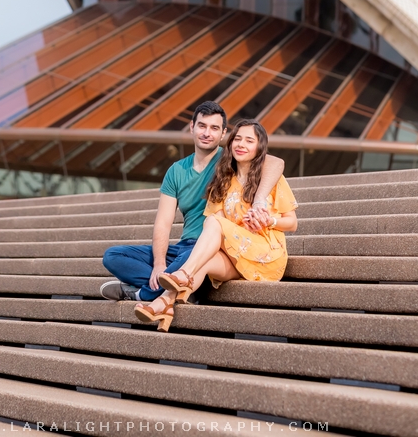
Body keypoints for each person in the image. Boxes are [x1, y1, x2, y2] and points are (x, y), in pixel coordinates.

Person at [100, 102, 285, 303]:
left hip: (212, 247)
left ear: (223, 134)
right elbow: (163, 222)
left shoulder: (231, 160)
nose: (207, 133)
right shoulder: (176, 170)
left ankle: (141, 293)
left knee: (186, 261)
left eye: (214, 128)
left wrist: (259, 202)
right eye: (202, 126)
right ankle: (181, 287)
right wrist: (159, 264)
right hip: (182, 247)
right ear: (192, 127)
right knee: (113, 256)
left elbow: (276, 163)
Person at [134, 119, 297, 331]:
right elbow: (220, 229)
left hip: (266, 254)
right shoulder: (222, 182)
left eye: (249, 140)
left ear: (259, 147)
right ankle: (165, 304)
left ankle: (174, 285)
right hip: (235, 253)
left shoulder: (271, 179)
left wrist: (269, 220)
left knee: (212, 222)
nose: (241, 144)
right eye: (237, 139)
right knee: (206, 259)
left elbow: (292, 222)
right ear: (229, 144)